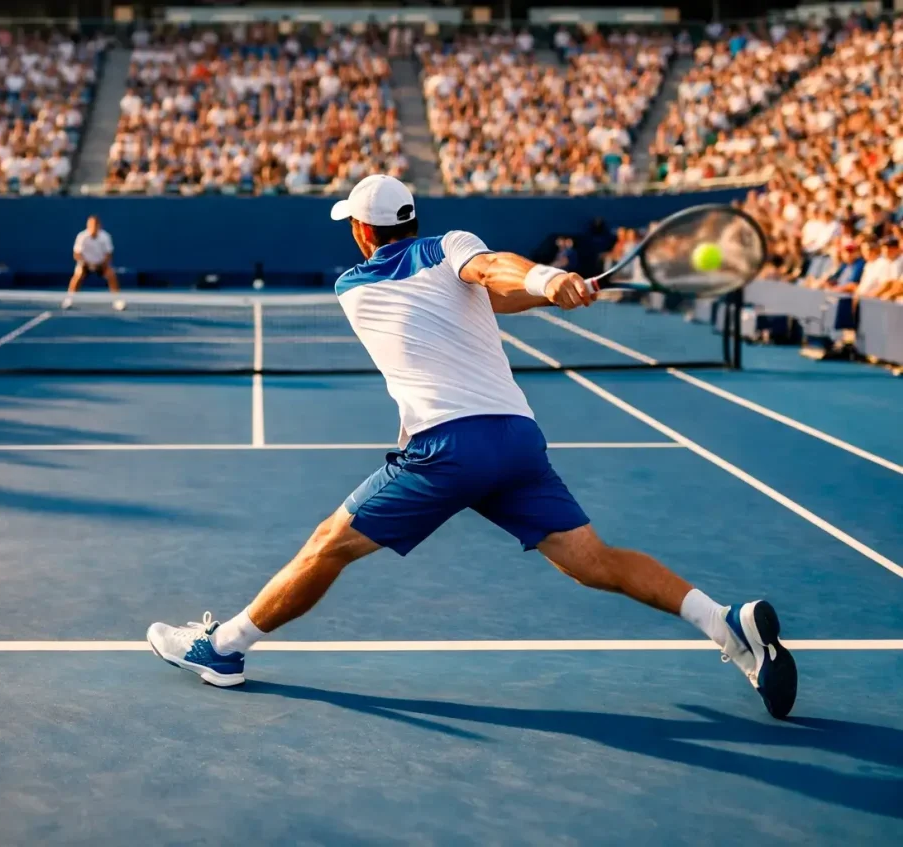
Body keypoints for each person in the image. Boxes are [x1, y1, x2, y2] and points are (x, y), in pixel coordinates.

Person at [146, 174, 798, 720]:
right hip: (516, 439)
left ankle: (224, 648)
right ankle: (726, 622)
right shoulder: (449, 248)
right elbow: (489, 277)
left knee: (327, 545)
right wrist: (547, 282)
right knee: (592, 561)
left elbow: (493, 279)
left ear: (363, 232)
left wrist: (548, 283)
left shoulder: (354, 286)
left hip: (448, 449)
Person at [62, 215, 124, 311]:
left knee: (111, 275)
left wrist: (101, 264)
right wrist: (85, 263)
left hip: (101, 264)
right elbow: (77, 254)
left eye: (95, 225)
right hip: (85, 264)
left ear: (99, 226)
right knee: (78, 276)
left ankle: (117, 301)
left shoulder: (105, 237)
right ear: (87, 225)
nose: (93, 227)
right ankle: (69, 300)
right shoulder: (82, 236)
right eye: (90, 225)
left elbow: (109, 254)